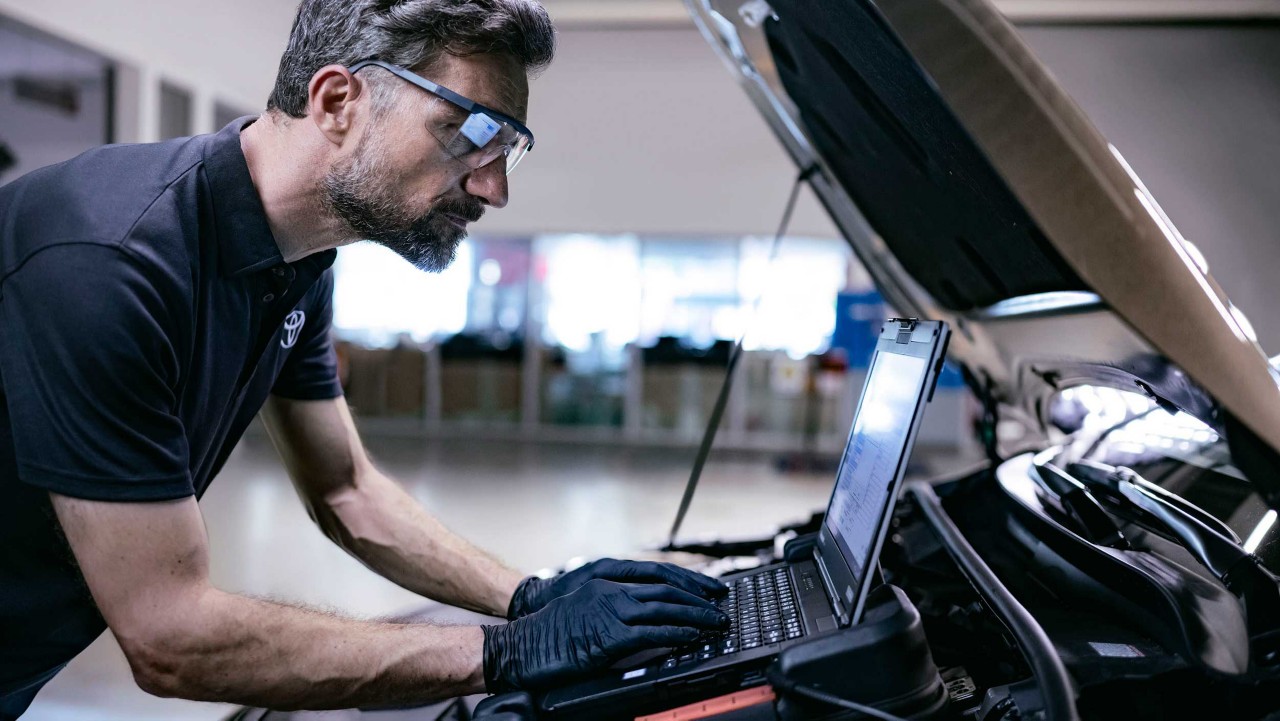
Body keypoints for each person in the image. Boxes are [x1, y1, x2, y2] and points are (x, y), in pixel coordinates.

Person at [0, 1, 729, 717]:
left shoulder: (300, 260)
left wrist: (531, 596)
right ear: (338, 99)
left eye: (508, 148)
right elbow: (170, 631)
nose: (493, 186)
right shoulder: (110, 260)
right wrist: (506, 651)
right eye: (467, 130)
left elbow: (347, 488)